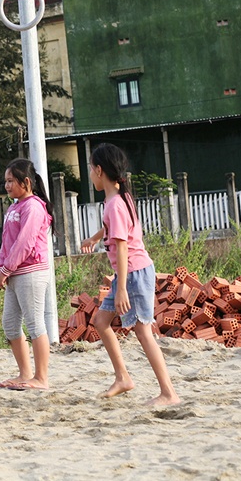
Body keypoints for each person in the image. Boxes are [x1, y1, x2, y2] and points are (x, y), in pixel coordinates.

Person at [80, 143, 181, 406]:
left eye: (91, 169)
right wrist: (94, 237)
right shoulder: (118, 197)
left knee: (143, 331)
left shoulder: (115, 203)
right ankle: (123, 378)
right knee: (101, 322)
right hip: (130, 273)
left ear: (99, 170)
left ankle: (169, 394)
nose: (90, 174)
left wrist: (121, 287)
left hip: (133, 273)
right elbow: (113, 229)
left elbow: (122, 246)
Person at [0, 158, 52, 391]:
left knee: (35, 323)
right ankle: (25, 373)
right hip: (14, 274)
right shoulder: (13, 207)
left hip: (31, 272)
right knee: (9, 324)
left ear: (26, 181)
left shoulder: (34, 207)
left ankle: (42, 378)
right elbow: (7, 243)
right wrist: (2, 268)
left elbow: (25, 242)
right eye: (6, 181)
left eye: (11, 181)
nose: (7, 185)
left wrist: (7, 269)